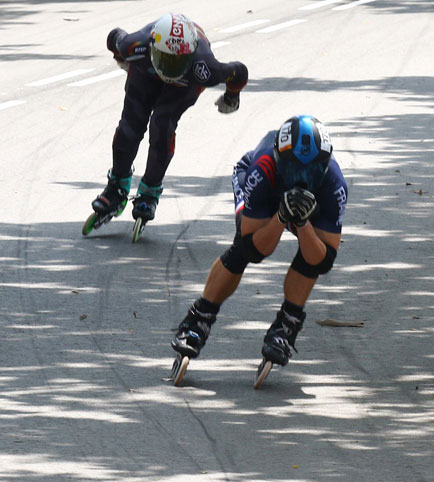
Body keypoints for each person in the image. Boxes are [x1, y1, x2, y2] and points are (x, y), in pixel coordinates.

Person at [171, 115, 348, 368]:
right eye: (294, 169)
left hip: (308, 202)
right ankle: (200, 317)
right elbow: (254, 249)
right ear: (279, 160)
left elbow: (323, 260)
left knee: (314, 258)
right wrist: (281, 217)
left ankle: (288, 322)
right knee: (242, 250)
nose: (302, 178)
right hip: (265, 189)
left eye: (311, 170)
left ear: (325, 164)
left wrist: (302, 224)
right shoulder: (262, 168)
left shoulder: (334, 185)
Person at [90, 13, 248, 224]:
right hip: (145, 71)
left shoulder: (206, 68)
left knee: (162, 125)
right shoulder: (133, 45)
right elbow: (114, 38)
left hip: (187, 81)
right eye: (165, 58)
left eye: (178, 61)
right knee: (130, 128)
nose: (170, 68)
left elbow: (238, 72)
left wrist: (232, 97)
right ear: (152, 48)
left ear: (191, 55)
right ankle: (116, 185)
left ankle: (150, 191)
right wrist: (123, 58)